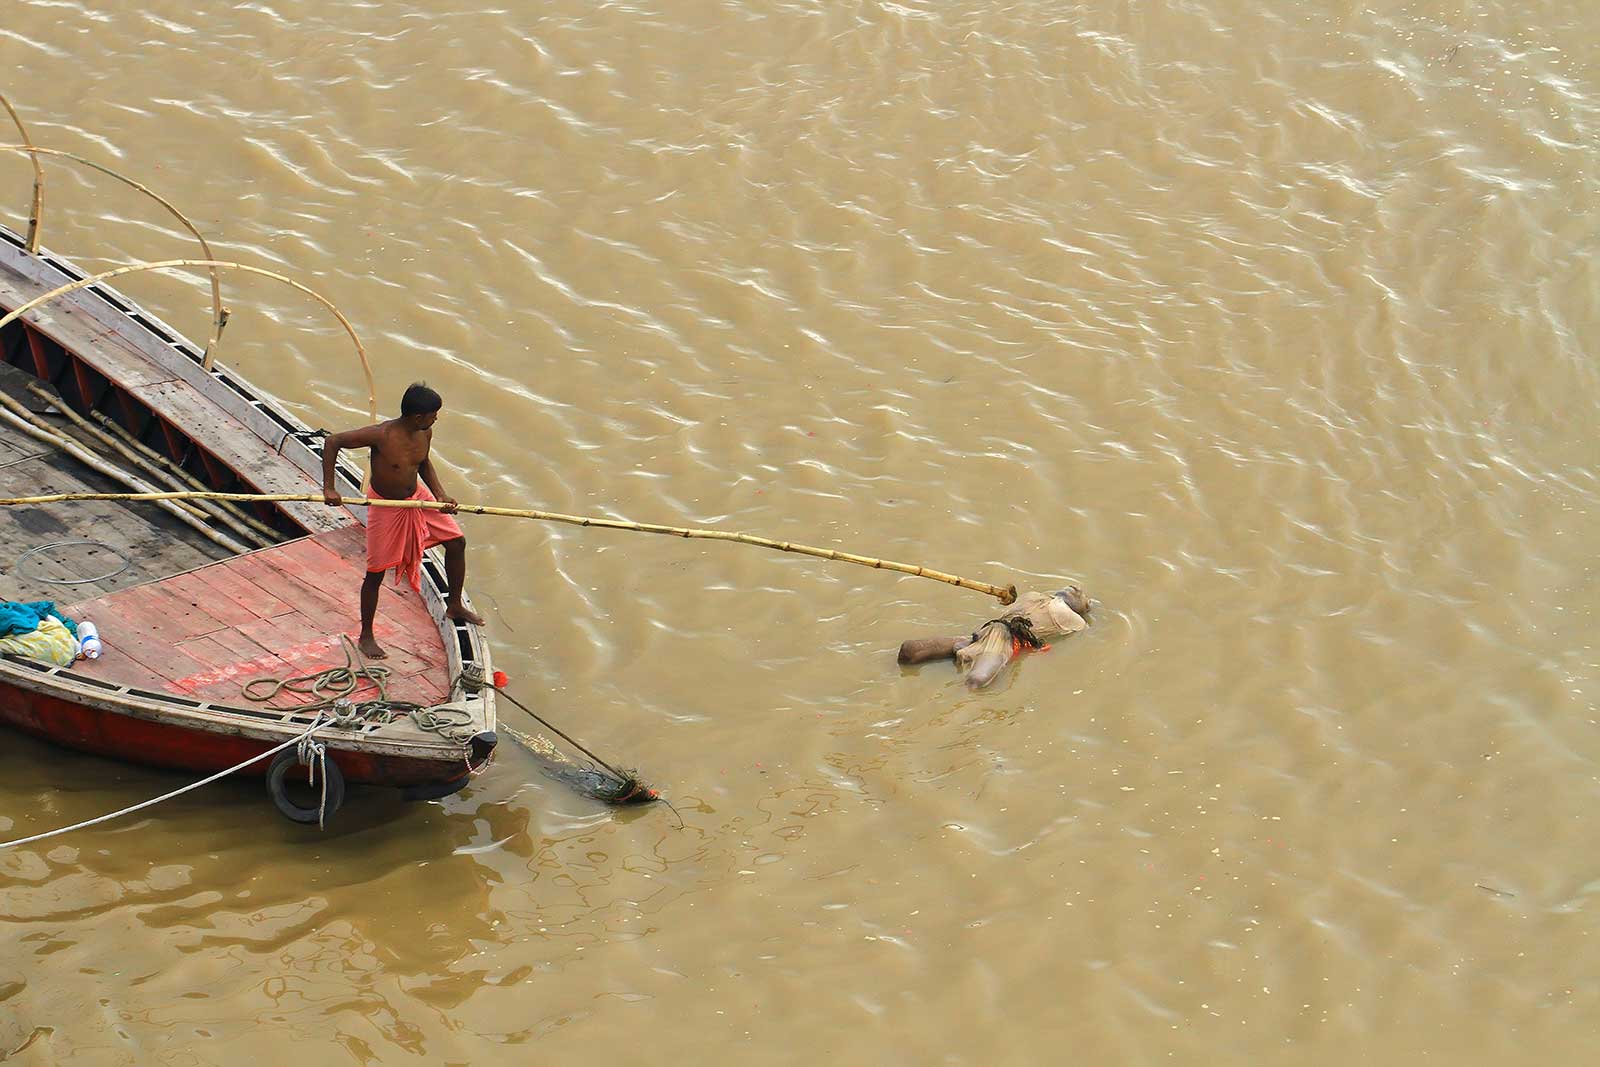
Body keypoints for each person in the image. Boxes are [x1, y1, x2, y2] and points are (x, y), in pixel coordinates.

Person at [321, 382, 484, 658]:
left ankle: (454, 604)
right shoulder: (382, 435)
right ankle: (366, 635)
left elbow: (423, 462)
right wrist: (329, 487)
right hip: (386, 506)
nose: (436, 418)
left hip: (417, 497)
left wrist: (441, 495)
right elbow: (332, 441)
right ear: (417, 417)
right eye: (434, 414)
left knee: (457, 542)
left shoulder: (425, 432)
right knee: (375, 572)